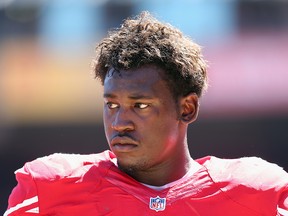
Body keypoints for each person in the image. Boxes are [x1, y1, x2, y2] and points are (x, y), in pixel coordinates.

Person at [4, 11, 288, 216]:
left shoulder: (257, 194)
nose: (119, 123)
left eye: (140, 106)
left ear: (186, 108)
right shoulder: (49, 188)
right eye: (112, 104)